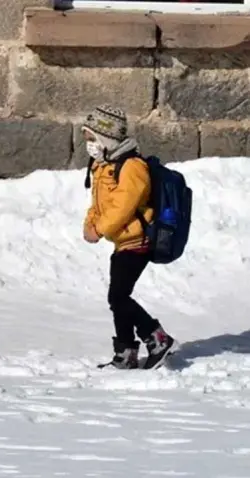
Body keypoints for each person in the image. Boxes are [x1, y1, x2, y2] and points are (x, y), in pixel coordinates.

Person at [81, 105, 179, 370]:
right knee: (118, 299)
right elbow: (99, 203)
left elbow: (123, 206)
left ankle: (157, 338)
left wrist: (100, 229)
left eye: (91, 138)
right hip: (123, 242)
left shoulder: (133, 167)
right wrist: (89, 224)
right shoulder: (104, 166)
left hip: (138, 241)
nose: (88, 144)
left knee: (118, 297)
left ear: (106, 138)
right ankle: (126, 352)